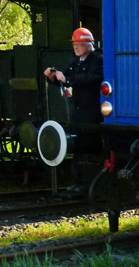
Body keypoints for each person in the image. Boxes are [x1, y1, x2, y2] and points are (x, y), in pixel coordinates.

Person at [44, 27, 104, 195]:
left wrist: (68, 78)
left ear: (88, 44)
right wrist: (53, 77)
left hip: (93, 112)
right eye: (74, 45)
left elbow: (91, 79)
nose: (76, 48)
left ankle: (90, 183)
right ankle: (78, 182)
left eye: (79, 44)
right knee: (78, 148)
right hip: (78, 112)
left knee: (90, 147)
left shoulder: (98, 60)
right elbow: (66, 79)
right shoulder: (75, 62)